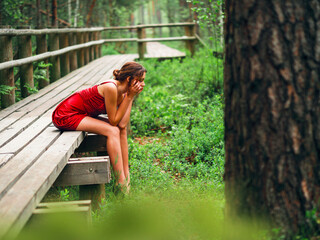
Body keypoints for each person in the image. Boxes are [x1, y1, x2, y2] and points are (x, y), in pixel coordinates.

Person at [52, 62, 147, 193]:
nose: (143, 84)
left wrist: (130, 97)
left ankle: (126, 177)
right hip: (66, 115)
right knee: (112, 130)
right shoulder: (111, 88)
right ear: (129, 79)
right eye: (140, 80)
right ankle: (120, 183)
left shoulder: (124, 93)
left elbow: (122, 124)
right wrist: (130, 96)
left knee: (121, 131)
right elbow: (114, 122)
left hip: (82, 114)